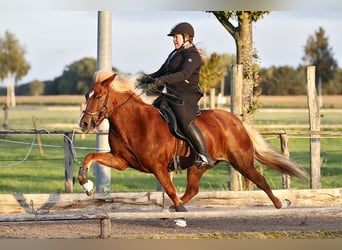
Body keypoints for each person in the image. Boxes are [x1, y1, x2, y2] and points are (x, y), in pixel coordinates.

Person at [140, 22, 214, 169]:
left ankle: (205, 156)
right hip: (171, 94)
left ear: (187, 38)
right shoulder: (175, 53)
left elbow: (184, 74)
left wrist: (163, 80)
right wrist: (145, 78)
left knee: (185, 123)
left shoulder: (192, 54)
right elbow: (162, 71)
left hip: (186, 95)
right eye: (173, 37)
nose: (174, 40)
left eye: (176, 37)